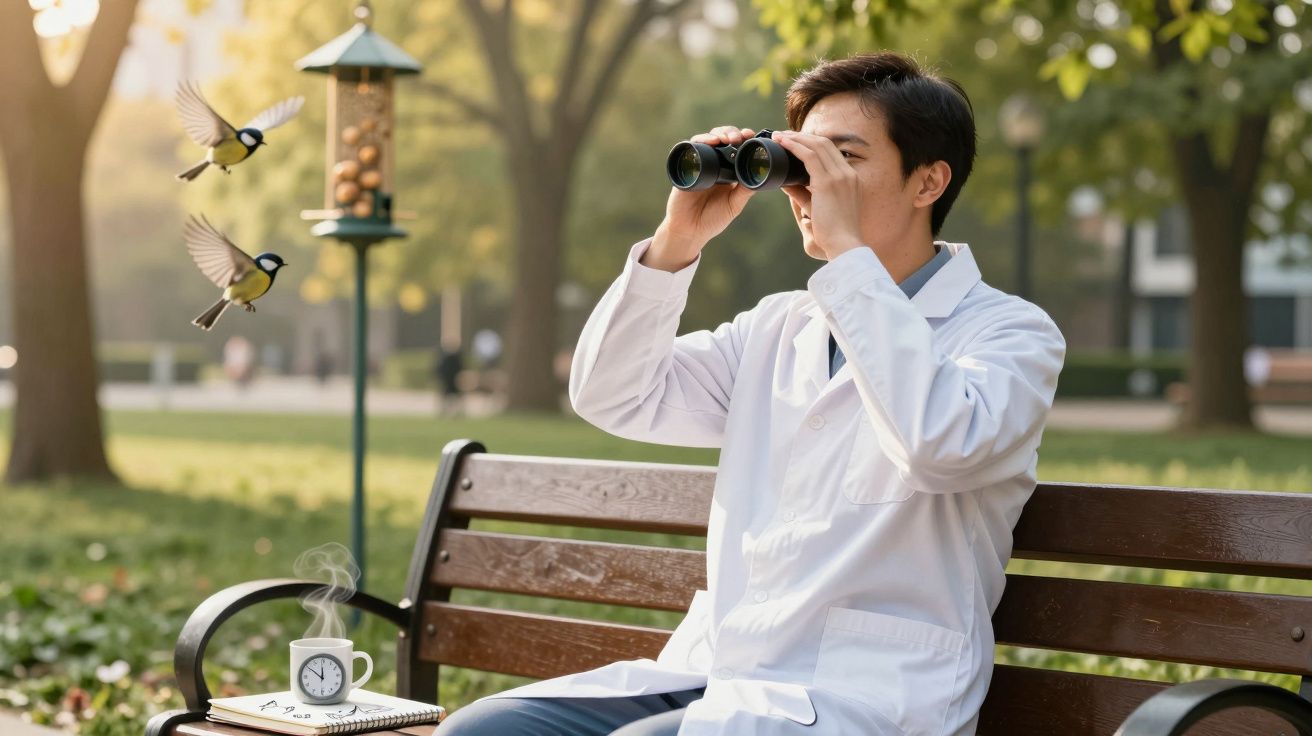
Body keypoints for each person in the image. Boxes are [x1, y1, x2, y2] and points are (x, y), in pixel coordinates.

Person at [440, 51, 1066, 736]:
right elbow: (612, 395)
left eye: (844, 159)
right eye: (804, 161)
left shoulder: (1010, 334)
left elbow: (940, 446)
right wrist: (677, 241)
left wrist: (850, 255)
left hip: (870, 694)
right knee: (483, 731)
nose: (808, 188)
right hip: (723, 672)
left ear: (929, 182)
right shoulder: (777, 326)